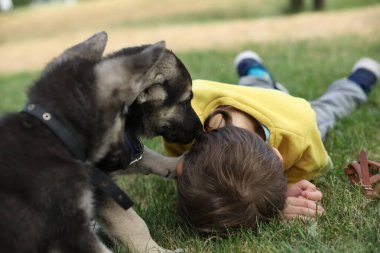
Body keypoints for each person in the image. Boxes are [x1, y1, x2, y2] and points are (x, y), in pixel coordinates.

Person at [164, 50, 380, 233]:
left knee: (329, 108)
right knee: (254, 83)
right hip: (249, 99)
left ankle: (359, 81)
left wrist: (274, 200)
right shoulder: (180, 117)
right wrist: (277, 203)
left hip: (283, 110)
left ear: (280, 157)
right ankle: (252, 67)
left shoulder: (300, 129)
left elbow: (319, 164)